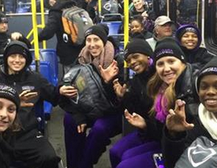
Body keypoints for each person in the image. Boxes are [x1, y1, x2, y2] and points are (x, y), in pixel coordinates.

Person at [120, 37, 199, 168]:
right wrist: (145, 125)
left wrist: (172, 134)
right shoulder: (161, 90)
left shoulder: (194, 86)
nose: (166, 68)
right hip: (168, 143)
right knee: (122, 155)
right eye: (160, 64)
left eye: (171, 61)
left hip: (187, 151)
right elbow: (160, 129)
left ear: (182, 61)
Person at [59, 24, 124, 168]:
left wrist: (108, 82)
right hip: (90, 108)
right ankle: (73, 164)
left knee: (100, 128)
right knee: (71, 120)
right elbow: (69, 84)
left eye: (96, 40)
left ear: (104, 42)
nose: (92, 45)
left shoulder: (117, 61)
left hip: (112, 112)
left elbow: (121, 101)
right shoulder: (82, 59)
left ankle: (83, 164)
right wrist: (78, 115)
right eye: (89, 40)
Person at [0, 40, 61, 168]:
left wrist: (62, 89)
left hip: (27, 133)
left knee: (49, 158)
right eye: (13, 56)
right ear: (6, 58)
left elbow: (54, 96)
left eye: (21, 57)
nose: (17, 60)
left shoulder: (35, 79)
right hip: (2, 135)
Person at [162, 54, 217, 168]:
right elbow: (173, 163)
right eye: (204, 86)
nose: (210, 92)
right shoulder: (195, 120)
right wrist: (174, 135)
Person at [110, 37, 158, 168]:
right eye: (128, 60)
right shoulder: (135, 81)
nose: (132, 62)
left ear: (148, 55)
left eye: (136, 56)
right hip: (147, 130)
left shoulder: (160, 75)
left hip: (160, 134)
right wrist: (122, 97)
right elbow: (132, 111)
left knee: (126, 159)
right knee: (115, 152)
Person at [38, 0, 81, 72]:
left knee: (70, 79)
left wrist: (38, 37)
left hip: (68, 52)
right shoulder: (74, 7)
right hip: (81, 49)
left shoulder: (56, 11)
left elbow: (48, 32)